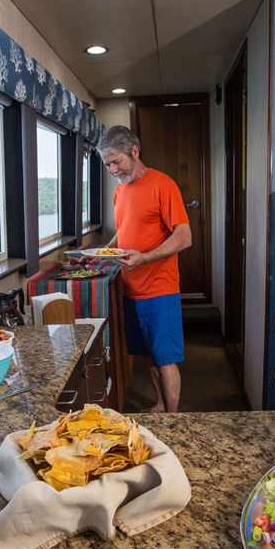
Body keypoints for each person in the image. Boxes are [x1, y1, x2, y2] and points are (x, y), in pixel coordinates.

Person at [93, 125, 191, 413]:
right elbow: (123, 233)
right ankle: (160, 403)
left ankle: (174, 418)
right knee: (147, 355)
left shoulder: (162, 184)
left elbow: (184, 236)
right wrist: (102, 253)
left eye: (116, 162)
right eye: (107, 164)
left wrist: (145, 257)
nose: (112, 170)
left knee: (165, 359)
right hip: (131, 289)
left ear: (134, 151)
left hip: (160, 288)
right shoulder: (120, 191)